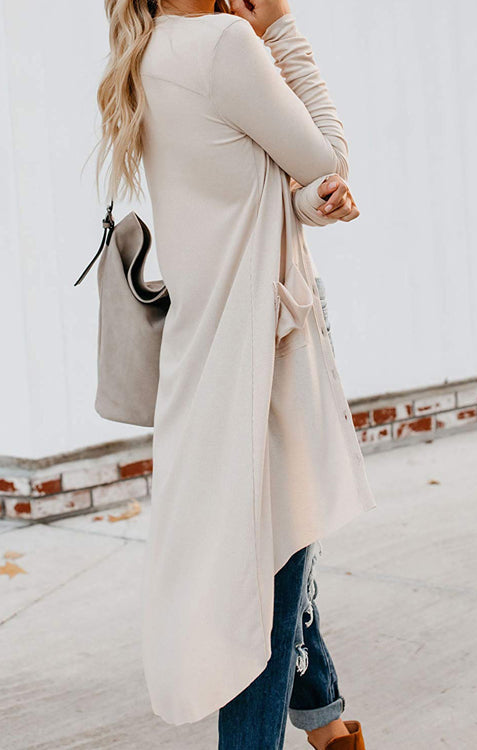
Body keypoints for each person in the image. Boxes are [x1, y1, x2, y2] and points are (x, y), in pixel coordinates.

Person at [95, 1, 375, 748]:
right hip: (262, 364)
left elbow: (240, 194)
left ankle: (326, 725)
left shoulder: (149, 51)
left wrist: (310, 204)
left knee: (277, 547)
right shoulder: (225, 44)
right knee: (263, 594)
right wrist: (279, 26)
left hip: (203, 358)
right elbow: (326, 155)